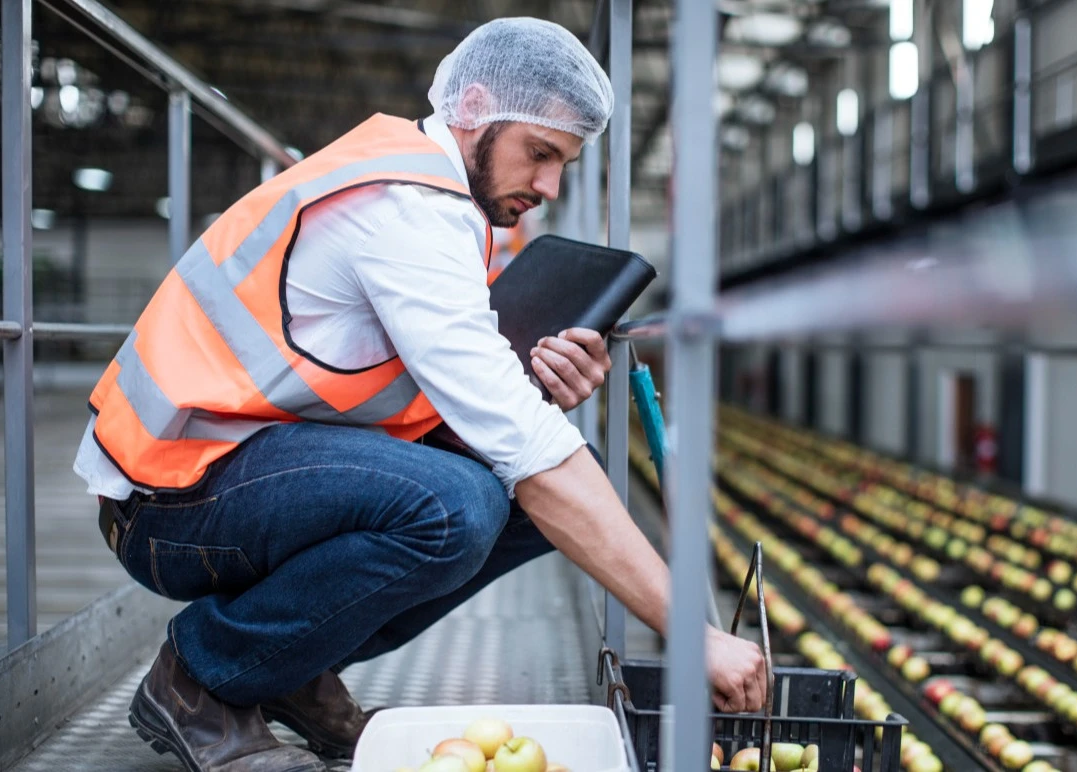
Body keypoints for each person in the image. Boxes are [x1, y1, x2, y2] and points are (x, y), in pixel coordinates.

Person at [73, 17, 766, 772]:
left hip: (236, 469)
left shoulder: (439, 201)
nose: (548, 186)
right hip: (166, 499)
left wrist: (529, 388)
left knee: (533, 490)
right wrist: (696, 639)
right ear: (472, 107)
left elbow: (416, 398)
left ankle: (284, 672)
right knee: (457, 506)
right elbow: (527, 453)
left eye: (562, 164)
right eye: (540, 154)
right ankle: (200, 678)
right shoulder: (405, 207)